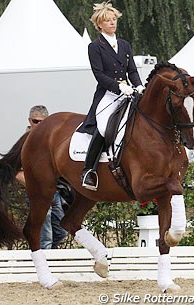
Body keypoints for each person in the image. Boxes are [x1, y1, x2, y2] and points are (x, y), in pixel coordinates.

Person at [78, 1, 145, 191]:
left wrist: (139, 86)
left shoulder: (124, 45)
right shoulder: (95, 47)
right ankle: (88, 170)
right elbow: (99, 75)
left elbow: (132, 70)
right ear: (100, 24)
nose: (112, 23)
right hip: (107, 94)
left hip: (128, 92)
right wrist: (118, 87)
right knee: (103, 125)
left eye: (114, 19)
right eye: (108, 21)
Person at [16, 105, 68, 249]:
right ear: (29, 120)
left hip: (55, 194)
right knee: (46, 236)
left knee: (62, 232)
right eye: (35, 121)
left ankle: (43, 259)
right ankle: (44, 265)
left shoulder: (50, 139)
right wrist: (36, 188)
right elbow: (17, 172)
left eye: (43, 122)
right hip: (38, 195)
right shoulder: (24, 143)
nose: (39, 125)